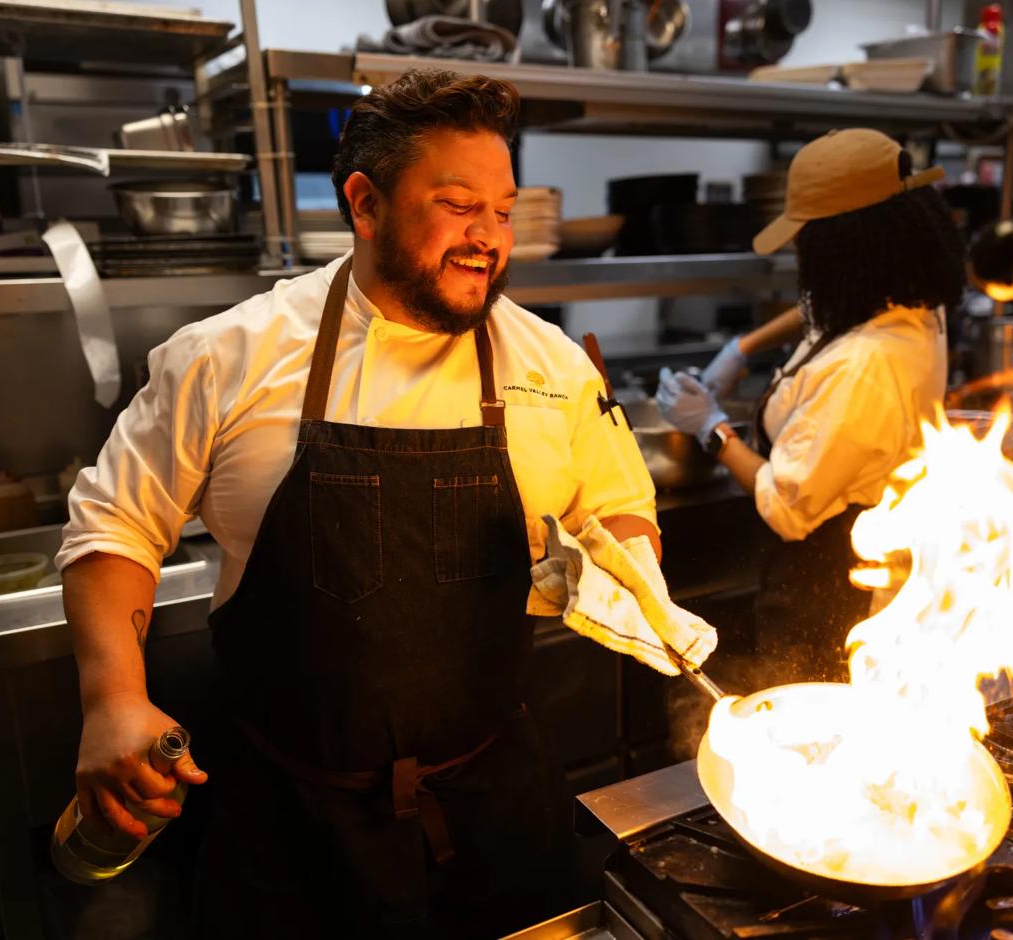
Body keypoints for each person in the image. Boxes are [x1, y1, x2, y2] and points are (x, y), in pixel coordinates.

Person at [56, 68, 660, 938]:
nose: (488, 238)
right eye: (458, 205)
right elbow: (116, 524)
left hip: (496, 810)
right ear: (364, 203)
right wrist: (112, 696)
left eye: (502, 209)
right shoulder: (228, 356)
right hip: (290, 827)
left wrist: (614, 568)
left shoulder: (554, 368)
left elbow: (620, 506)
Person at [657, 129, 964, 683]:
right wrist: (742, 348)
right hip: (844, 560)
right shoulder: (912, 302)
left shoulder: (866, 364)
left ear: (846, 248)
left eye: (806, 238)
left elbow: (787, 505)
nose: (799, 250)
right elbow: (820, 309)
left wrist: (712, 429)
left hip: (828, 587)